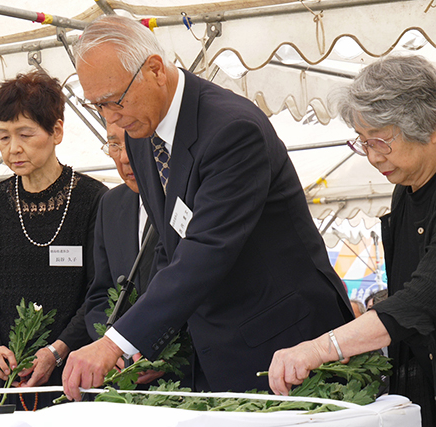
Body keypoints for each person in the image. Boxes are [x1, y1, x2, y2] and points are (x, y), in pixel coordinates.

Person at [62, 15, 353, 400]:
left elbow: (205, 251)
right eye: (97, 105)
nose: (110, 118)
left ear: (154, 70)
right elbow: (169, 247)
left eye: (115, 100)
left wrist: (116, 342)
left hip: (284, 341)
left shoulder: (232, 130)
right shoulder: (141, 135)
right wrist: (144, 345)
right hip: (215, 352)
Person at [268, 54, 436, 427]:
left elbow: (423, 298)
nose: (373, 157)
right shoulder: (405, 192)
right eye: (363, 142)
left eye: (380, 141)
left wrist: (325, 346)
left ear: (427, 125)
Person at [0, 70, 107, 407]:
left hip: (76, 373)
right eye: (3, 137)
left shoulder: (94, 199)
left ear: (56, 131)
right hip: (8, 377)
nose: (13, 148)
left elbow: (98, 292)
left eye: (26, 134)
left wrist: (57, 351)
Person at [84, 122, 165, 386]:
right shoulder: (111, 203)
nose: (124, 158)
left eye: (132, 142)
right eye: (114, 144)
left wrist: (162, 348)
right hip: (123, 377)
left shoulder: (187, 197)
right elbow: (100, 294)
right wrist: (109, 346)